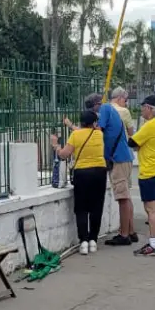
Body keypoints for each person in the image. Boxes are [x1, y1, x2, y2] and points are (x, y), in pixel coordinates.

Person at [53, 106, 107, 255]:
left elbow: (64, 154)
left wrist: (56, 146)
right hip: (100, 172)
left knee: (81, 208)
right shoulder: (99, 134)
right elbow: (87, 130)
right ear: (94, 123)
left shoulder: (75, 136)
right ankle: (93, 241)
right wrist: (71, 126)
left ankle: (83, 241)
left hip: (82, 173)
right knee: (97, 207)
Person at [86, 93, 138, 247]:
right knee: (125, 196)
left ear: (96, 104)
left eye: (92, 111)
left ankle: (124, 235)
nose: (93, 115)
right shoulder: (110, 110)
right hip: (123, 156)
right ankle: (131, 231)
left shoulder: (106, 109)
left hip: (118, 159)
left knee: (122, 197)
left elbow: (97, 132)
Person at [128, 95, 155, 256]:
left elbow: (132, 143)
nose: (142, 110)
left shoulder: (150, 125)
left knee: (151, 209)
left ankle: (152, 244)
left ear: (150, 109)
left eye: (143, 107)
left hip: (149, 171)